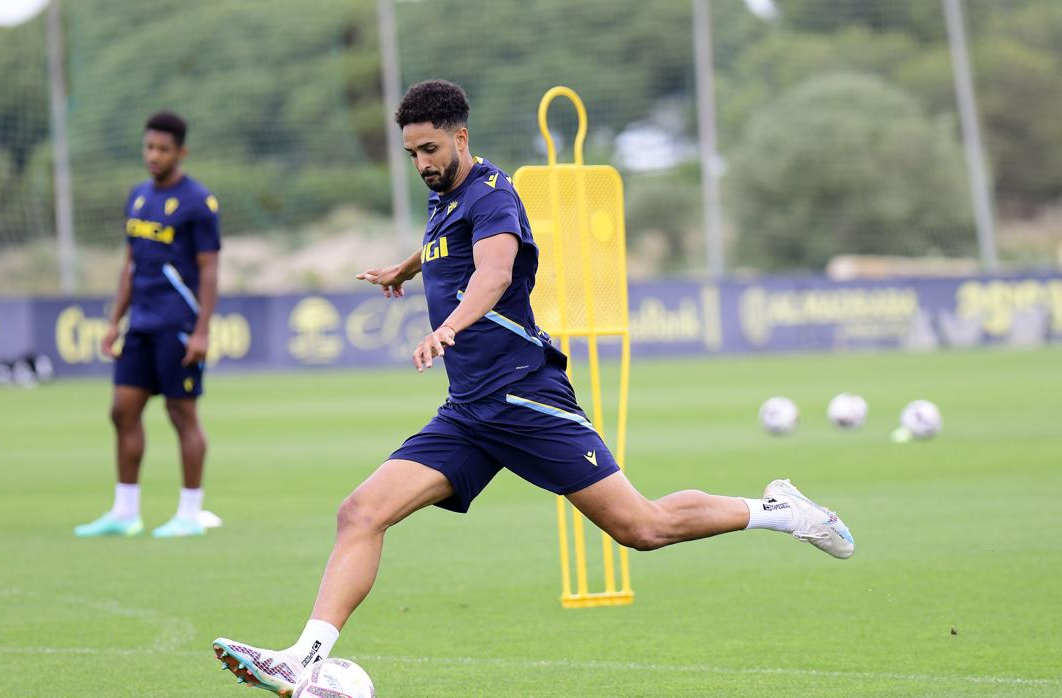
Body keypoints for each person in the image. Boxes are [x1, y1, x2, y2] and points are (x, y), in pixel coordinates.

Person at [211, 80, 854, 694]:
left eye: (430, 150)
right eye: (411, 154)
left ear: (461, 136)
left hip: (525, 397)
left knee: (642, 527)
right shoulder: (448, 198)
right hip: (469, 413)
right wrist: (401, 270)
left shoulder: (493, 195)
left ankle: (779, 511)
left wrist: (448, 328)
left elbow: (493, 271)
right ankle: (305, 659)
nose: (422, 164)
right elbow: (444, 241)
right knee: (360, 512)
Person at [74, 111, 221, 539]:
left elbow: (209, 270)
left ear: (181, 152)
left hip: (178, 324)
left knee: (182, 414)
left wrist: (202, 330)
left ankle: (190, 513)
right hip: (140, 324)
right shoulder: (138, 197)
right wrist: (114, 320)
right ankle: (125, 511)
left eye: (163, 149)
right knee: (122, 411)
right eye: (149, 147)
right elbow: (129, 266)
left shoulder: (198, 202)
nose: (153, 156)